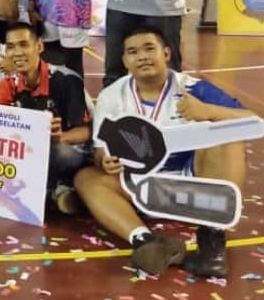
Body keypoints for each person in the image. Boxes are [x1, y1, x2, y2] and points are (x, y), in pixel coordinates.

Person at [74, 25, 254, 277]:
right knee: (86, 178)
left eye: (150, 49)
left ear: (167, 53)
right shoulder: (110, 96)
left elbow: (253, 120)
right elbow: (99, 150)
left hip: (192, 186)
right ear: (124, 60)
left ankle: (212, 237)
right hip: (140, 187)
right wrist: (104, 160)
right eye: (133, 52)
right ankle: (147, 241)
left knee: (229, 135)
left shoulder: (193, 89)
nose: (142, 57)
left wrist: (210, 112)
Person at [0, 22, 91, 215]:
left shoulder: (66, 80)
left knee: (59, 152)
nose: (17, 53)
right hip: (30, 151)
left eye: (24, 45)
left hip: (66, 149)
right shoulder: (10, 83)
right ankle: (57, 191)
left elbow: (85, 132)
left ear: (39, 46)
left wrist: (60, 137)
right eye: (11, 47)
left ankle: (54, 188)